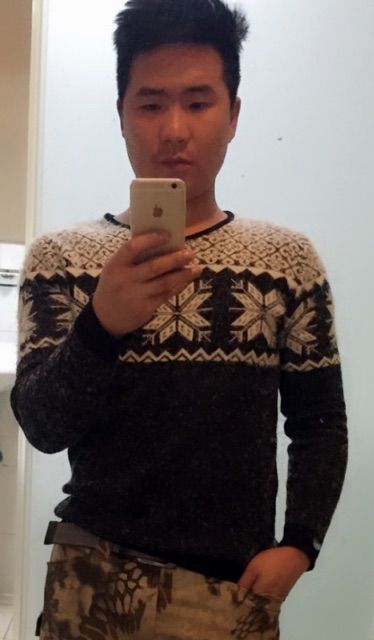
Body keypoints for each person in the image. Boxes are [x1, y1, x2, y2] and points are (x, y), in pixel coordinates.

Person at [10, 1, 348, 638]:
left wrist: (300, 544)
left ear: (233, 114)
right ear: (121, 115)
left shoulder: (287, 262)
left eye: (197, 102)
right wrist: (101, 324)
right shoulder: (61, 259)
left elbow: (319, 422)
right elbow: (43, 427)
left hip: (231, 588)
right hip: (92, 578)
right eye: (150, 104)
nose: (173, 130)